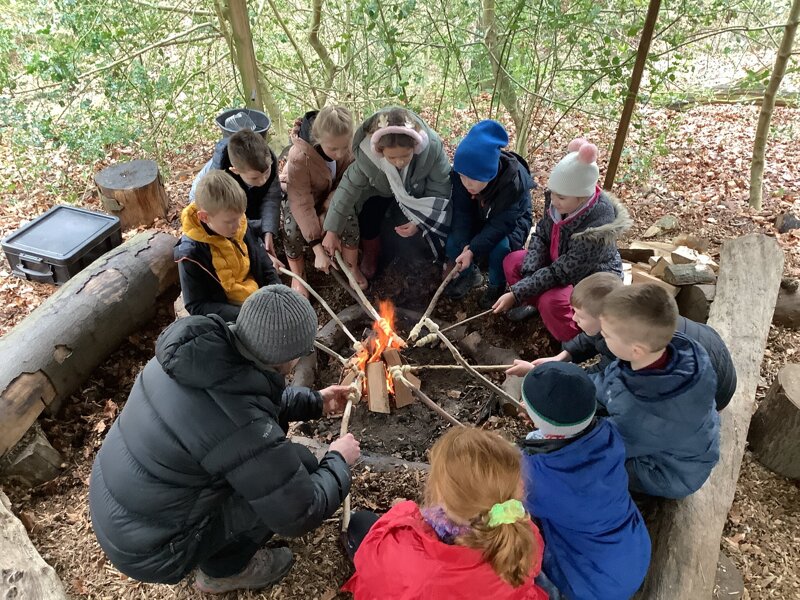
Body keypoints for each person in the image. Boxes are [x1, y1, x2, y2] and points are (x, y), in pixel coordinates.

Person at [89, 285, 360, 593]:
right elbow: (299, 512)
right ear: (286, 359)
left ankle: (213, 548)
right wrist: (339, 460)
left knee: (291, 467)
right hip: (153, 549)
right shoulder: (241, 424)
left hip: (120, 511)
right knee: (301, 474)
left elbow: (242, 398)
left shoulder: (196, 353)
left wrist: (315, 401)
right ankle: (223, 571)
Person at [342, 427, 548, 600]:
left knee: (361, 523)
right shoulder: (523, 535)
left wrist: (403, 514)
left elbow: (370, 562)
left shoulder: (400, 551)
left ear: (444, 496)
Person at [508, 272, 737, 410]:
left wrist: (545, 377)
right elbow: (591, 337)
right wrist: (562, 356)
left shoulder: (628, 345)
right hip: (712, 352)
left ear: (603, 318)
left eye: (579, 315)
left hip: (715, 392)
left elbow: (599, 383)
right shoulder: (624, 313)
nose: (574, 318)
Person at [519, 362, 651, 600]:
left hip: (593, 584)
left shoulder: (535, 476)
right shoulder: (609, 435)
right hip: (635, 551)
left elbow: (509, 491)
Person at [492, 137, 631, 342]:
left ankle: (572, 337)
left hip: (586, 281)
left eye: (561, 197)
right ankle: (532, 303)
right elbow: (541, 234)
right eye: (553, 194)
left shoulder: (595, 230)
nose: (554, 201)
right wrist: (529, 274)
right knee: (513, 261)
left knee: (551, 301)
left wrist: (517, 292)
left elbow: (561, 273)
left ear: (582, 197)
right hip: (556, 263)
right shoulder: (559, 202)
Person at [591, 283, 720, 498]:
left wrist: (559, 431)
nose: (602, 337)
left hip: (672, 472)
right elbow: (609, 382)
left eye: (606, 335)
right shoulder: (680, 351)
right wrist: (572, 383)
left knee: (597, 467)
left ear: (636, 350)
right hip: (677, 440)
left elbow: (607, 445)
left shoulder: (647, 413)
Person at [322, 106, 452, 284]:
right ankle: (371, 254)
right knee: (369, 213)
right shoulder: (368, 156)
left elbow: (440, 187)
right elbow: (347, 189)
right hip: (381, 191)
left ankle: (428, 260)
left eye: (405, 155)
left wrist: (418, 221)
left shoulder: (431, 149)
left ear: (416, 146)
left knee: (412, 235)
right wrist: (332, 230)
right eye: (391, 158)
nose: (399, 162)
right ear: (379, 151)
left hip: (416, 194)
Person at [444, 120, 534, 309]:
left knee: (500, 248)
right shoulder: (462, 176)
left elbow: (502, 225)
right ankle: (470, 274)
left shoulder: (512, 185)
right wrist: (465, 245)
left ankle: (496, 285)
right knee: (453, 241)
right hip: (481, 217)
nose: (466, 183)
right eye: (462, 176)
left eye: (473, 179)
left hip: (511, 225)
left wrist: (473, 250)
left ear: (490, 174)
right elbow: (461, 212)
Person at [174, 170, 280, 321]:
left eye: (240, 217)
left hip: (257, 295)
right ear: (204, 217)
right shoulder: (191, 254)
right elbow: (196, 305)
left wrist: (276, 289)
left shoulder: (238, 222)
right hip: (230, 313)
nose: (237, 226)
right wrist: (246, 314)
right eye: (229, 222)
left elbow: (262, 260)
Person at [280, 106, 356, 295]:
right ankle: (298, 274)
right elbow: (301, 203)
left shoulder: (349, 148)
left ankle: (351, 267)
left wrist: (327, 216)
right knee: (291, 229)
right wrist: (317, 248)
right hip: (300, 199)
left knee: (349, 216)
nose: (340, 153)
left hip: (330, 197)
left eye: (344, 147)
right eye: (333, 149)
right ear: (318, 139)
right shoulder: (300, 157)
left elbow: (345, 185)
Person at [190, 123, 283, 269]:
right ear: (235, 170)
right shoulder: (220, 181)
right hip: (216, 206)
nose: (263, 181)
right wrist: (257, 247)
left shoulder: (267, 160)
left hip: (245, 196)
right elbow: (232, 220)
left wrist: (268, 231)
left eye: (266, 173)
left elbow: (271, 197)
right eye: (255, 178)